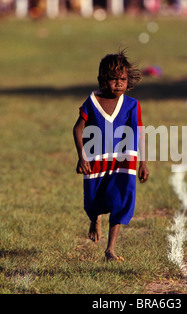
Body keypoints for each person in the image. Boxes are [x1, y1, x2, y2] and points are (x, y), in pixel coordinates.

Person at [73, 50, 149, 262]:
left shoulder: (132, 105)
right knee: (94, 199)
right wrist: (82, 156)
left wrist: (143, 162)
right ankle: (94, 218)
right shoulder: (92, 102)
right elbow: (78, 129)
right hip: (97, 160)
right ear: (101, 80)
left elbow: (140, 132)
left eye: (122, 79)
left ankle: (110, 250)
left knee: (121, 199)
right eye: (113, 79)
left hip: (124, 161)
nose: (118, 84)